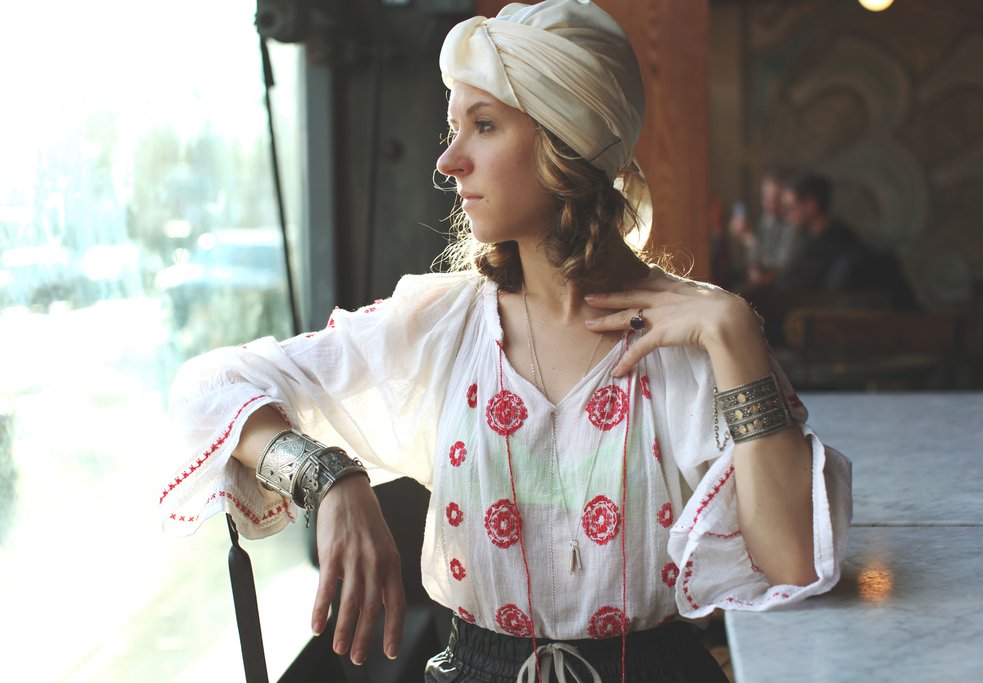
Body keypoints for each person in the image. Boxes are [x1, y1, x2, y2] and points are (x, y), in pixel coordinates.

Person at [159, 2, 852, 681]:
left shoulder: (699, 333)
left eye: (483, 125)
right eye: (452, 128)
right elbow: (208, 388)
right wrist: (328, 477)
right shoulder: (444, 326)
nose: (450, 161)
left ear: (566, 142)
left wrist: (733, 333)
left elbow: (792, 565)